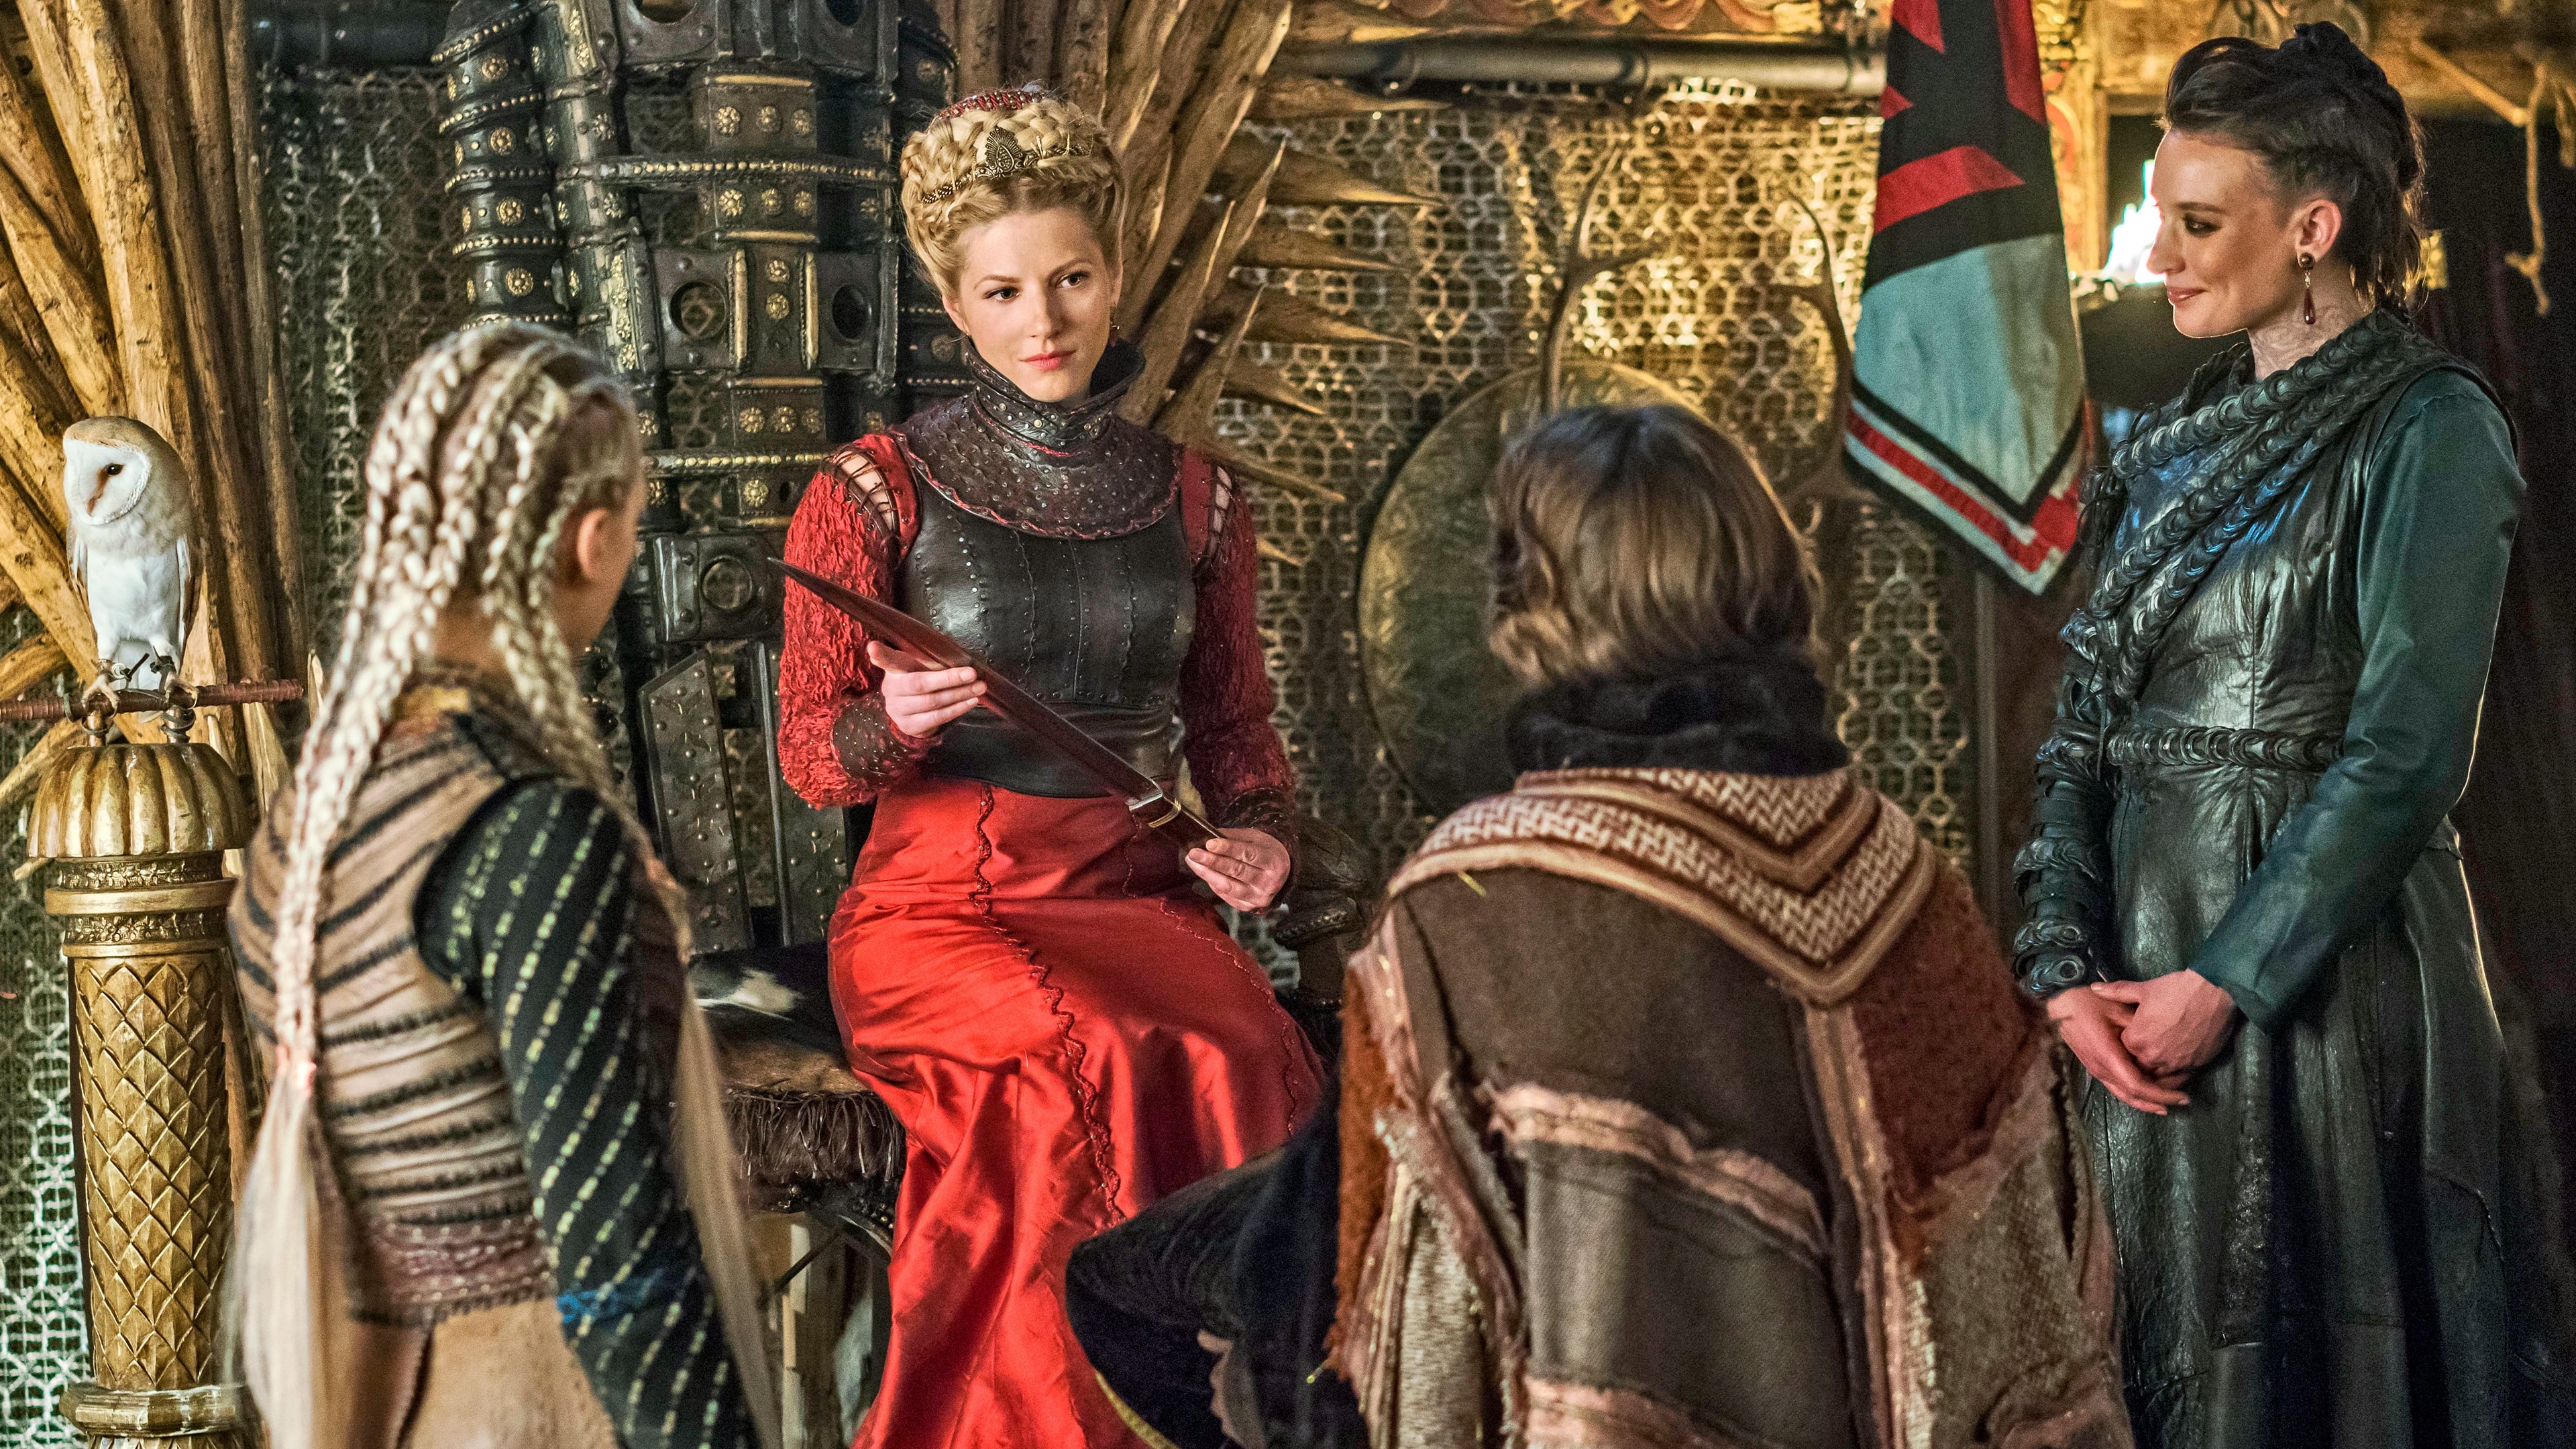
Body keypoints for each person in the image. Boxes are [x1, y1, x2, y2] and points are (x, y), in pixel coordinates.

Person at [1073, 404, 2134, 1449]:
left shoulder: (1476, 899)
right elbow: (2029, 1281)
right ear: (1772, 579)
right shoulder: (1909, 872)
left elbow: (1373, 1311)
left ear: (1531, 608)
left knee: (1127, 1289)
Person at [2013, 24, 2576, 1448]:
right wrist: (2067, 964)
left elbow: (2406, 752)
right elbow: (2084, 721)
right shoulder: (2177, 438)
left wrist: (2231, 976)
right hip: (2145, 962)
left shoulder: (2432, 427)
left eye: (2198, 225)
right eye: (2162, 218)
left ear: (2313, 229)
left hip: (2328, 988)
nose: (2159, 257)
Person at [775, 85, 1324, 1448]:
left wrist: (1260, 836)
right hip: (938, 908)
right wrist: (898, 719)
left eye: (1071, 279)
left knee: (1248, 1049)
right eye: (1005, 292)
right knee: (1068, 1062)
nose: (1046, 321)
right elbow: (810, 757)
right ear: (955, 308)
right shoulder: (869, 490)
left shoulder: (1202, 498)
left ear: (1114, 273)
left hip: (1139, 891)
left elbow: (1236, 736)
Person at [227, 324, 775, 1449]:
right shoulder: (531, 830)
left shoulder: (309, 823)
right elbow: (620, 1268)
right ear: (591, 541)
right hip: (535, 1411)